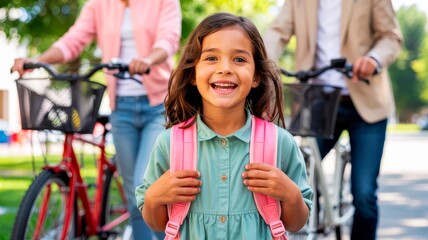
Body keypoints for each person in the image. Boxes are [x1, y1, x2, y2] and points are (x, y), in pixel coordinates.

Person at [11, 0, 181, 239]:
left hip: (156, 106)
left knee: (145, 185)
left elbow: (169, 39)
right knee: (135, 195)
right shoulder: (99, 5)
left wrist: (149, 59)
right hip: (120, 108)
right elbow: (74, 40)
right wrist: (39, 61)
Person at [135, 12, 313, 239]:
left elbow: (296, 223)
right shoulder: (170, 143)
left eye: (239, 59)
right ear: (192, 73)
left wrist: (291, 195)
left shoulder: (280, 142)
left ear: (256, 76)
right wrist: (154, 198)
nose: (225, 68)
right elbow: (158, 224)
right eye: (211, 58)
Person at [264, 0, 403, 239]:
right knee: (299, 179)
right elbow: (278, 31)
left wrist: (373, 59)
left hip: (365, 102)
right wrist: (260, 61)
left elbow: (390, 36)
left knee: (364, 195)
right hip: (317, 100)